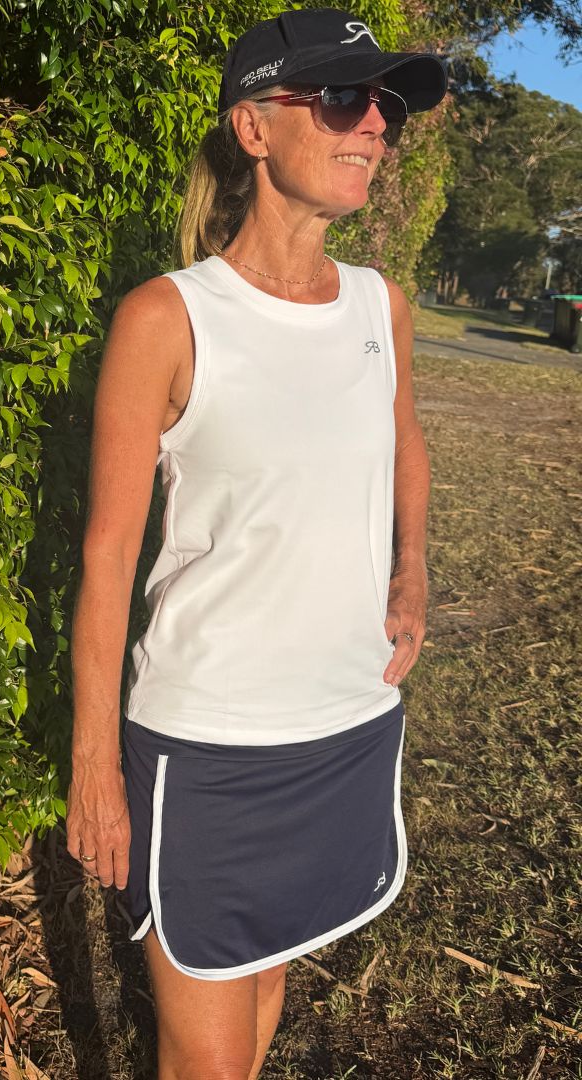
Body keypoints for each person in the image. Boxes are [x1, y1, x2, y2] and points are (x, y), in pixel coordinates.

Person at [67, 8, 447, 1077]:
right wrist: (96, 764)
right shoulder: (167, 319)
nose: (374, 124)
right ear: (253, 126)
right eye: (343, 99)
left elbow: (405, 442)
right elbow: (109, 555)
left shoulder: (380, 306)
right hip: (211, 751)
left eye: (386, 105)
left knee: (272, 976)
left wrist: (412, 570)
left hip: (347, 722)